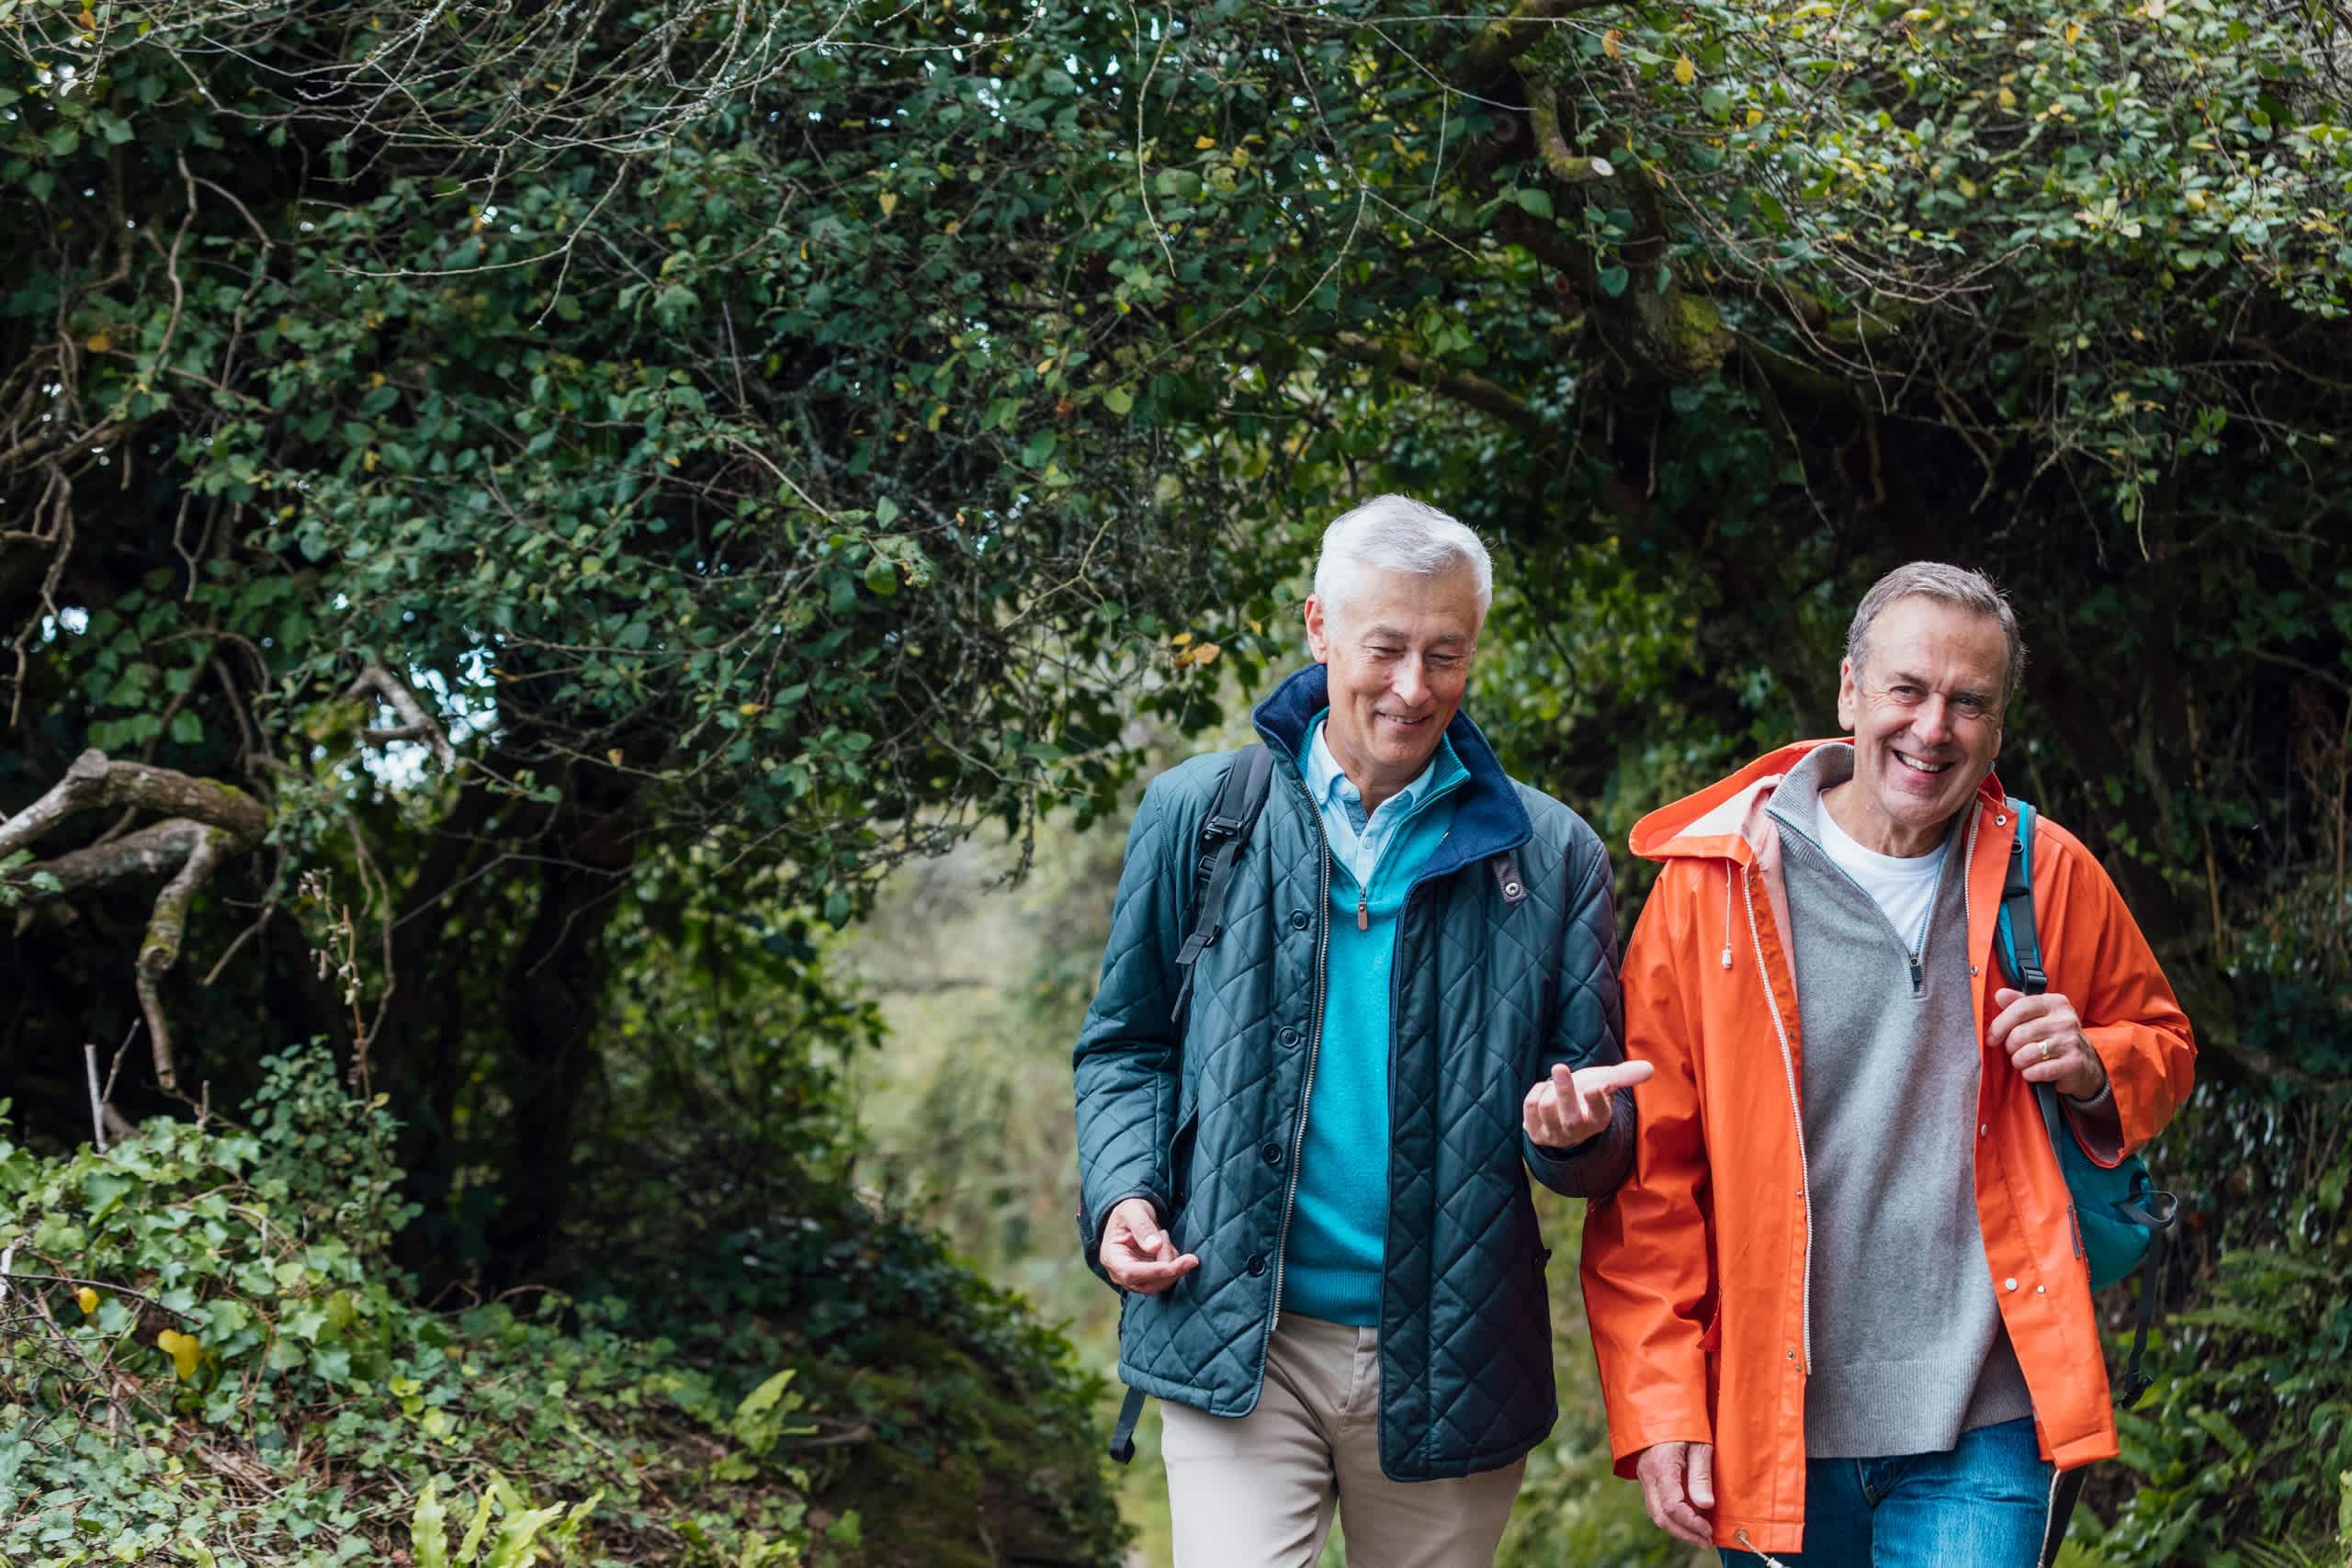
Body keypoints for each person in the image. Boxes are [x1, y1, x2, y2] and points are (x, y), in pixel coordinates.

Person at [1580, 561, 2198, 1566]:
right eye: (1908, 690)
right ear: (1849, 693)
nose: (1932, 727)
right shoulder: (1712, 891)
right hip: (1776, 1418)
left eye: (1969, 703)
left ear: (1997, 730)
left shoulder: (2045, 877)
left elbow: (2162, 1049)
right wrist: (1659, 1406)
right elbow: (1654, 1183)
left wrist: (2093, 1067)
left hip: (1989, 1411)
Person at [1072, 495, 1648, 1567]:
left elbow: (1595, 1138)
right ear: (1319, 628)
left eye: (1445, 654)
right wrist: (1122, 1198)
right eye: (1385, 648)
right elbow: (1127, 1045)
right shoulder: (1198, 816)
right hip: (1240, 1334)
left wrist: (1573, 1136)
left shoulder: (1553, 855)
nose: (1412, 688)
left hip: (1454, 1352)